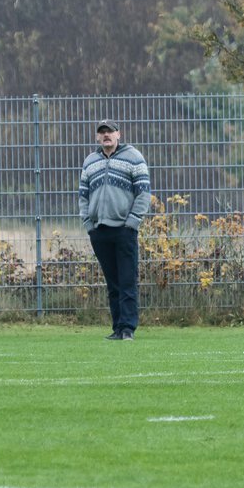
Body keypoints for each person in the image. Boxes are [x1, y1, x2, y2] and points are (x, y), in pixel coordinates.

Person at [79, 120, 151, 341]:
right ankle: (117, 327)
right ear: (97, 138)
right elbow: (83, 196)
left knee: (127, 279)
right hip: (99, 230)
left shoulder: (133, 157)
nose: (106, 135)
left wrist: (132, 222)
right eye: (102, 132)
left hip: (124, 229)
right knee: (112, 282)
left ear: (119, 134)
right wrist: (89, 225)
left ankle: (128, 328)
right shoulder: (90, 161)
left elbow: (144, 193)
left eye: (110, 131)